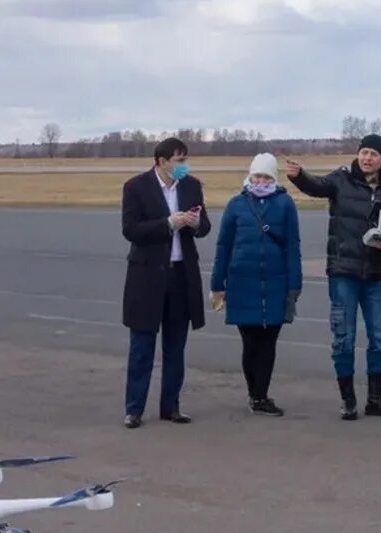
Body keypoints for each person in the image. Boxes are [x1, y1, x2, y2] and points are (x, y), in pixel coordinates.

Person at [284, 133, 381, 420]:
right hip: (343, 272)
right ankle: (348, 399)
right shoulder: (341, 179)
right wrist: (299, 175)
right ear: (358, 154)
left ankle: (375, 398)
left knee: (380, 335)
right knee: (344, 336)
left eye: (374, 154)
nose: (367, 158)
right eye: (364, 152)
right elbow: (317, 186)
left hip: (375, 274)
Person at [120, 136, 212, 429]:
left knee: (176, 345)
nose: (184, 166)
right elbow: (131, 229)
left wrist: (196, 223)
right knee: (142, 345)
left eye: (186, 160)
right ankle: (134, 408)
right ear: (161, 162)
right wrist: (168, 224)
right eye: (179, 161)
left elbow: (205, 225)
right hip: (147, 276)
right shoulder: (136, 187)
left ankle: (171, 405)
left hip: (181, 274)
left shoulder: (191, 186)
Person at [209, 153, 302, 417]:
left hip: (275, 284)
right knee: (250, 342)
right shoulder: (236, 205)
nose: (260, 181)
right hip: (242, 283)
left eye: (265, 177)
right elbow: (223, 246)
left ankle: (261, 395)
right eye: (256, 176)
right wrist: (218, 283)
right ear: (249, 176)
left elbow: (292, 247)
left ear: (274, 178)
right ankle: (254, 394)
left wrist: (294, 284)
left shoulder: (285, 204)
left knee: (268, 341)